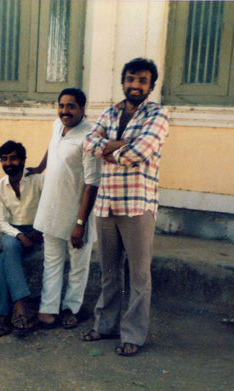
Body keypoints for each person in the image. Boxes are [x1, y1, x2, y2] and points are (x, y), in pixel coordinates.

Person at [82, 58, 169, 356]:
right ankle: (105, 325)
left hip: (138, 205)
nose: (135, 85)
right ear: (123, 81)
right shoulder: (110, 112)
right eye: (131, 79)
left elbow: (142, 150)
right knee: (108, 272)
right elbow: (89, 143)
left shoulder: (158, 114)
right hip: (106, 204)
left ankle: (133, 334)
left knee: (139, 276)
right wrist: (119, 146)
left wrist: (110, 148)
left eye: (142, 81)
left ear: (151, 86)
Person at [28, 88, 101, 330]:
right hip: (52, 209)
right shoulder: (57, 126)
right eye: (61, 105)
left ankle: (72, 308)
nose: (64, 111)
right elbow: (53, 147)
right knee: (52, 262)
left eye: (71, 106)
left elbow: (92, 183)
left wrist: (80, 224)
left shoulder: (90, 137)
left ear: (82, 109)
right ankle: (48, 309)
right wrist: (39, 168)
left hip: (77, 215)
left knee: (78, 265)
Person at [0, 141, 44, 338]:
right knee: (9, 246)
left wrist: (38, 230)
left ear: (23, 160)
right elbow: (1, 223)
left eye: (13, 158)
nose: (8, 162)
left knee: (5, 258)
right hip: (12, 233)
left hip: (37, 232)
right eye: (4, 159)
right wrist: (19, 235)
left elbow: (48, 208)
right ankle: (20, 306)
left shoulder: (38, 181)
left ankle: (2, 318)